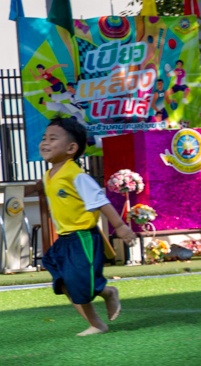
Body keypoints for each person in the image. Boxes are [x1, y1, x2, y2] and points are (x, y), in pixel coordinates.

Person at [39, 116, 136, 336]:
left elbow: (101, 201)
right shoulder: (49, 175)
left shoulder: (77, 176)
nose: (45, 143)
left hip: (83, 238)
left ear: (71, 148)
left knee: (80, 282)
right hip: (64, 239)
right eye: (44, 138)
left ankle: (107, 292)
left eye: (53, 138)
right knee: (63, 281)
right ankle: (96, 324)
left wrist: (120, 227)